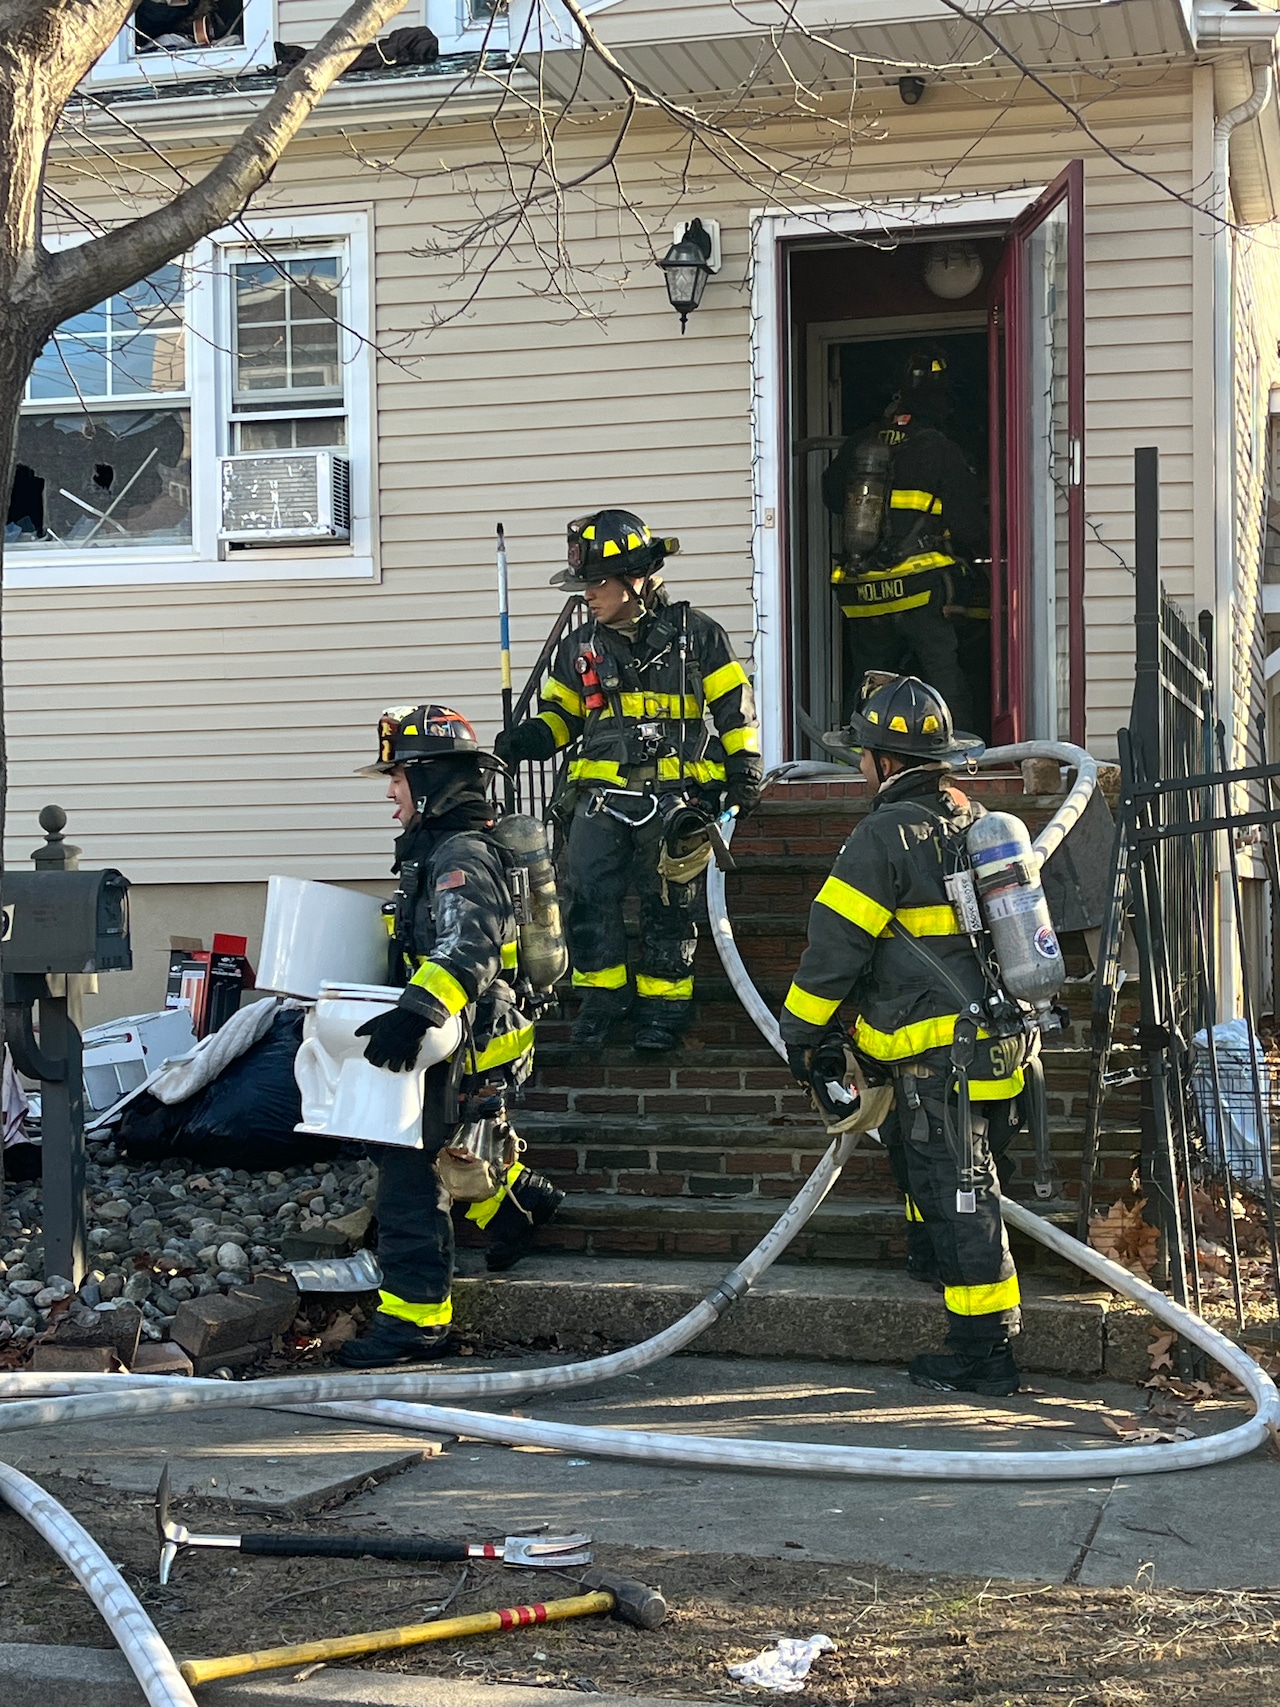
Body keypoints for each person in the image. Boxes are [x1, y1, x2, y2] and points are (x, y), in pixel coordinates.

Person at [778, 674, 1025, 1396]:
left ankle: (987, 1351)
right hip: (992, 1047)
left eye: (862, 754)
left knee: (961, 1196)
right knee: (941, 1182)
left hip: (935, 1055)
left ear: (885, 763)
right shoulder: (975, 818)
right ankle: (932, 1260)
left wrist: (801, 1033)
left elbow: (833, 949)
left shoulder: (882, 834)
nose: (858, 767)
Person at [337, 703, 563, 1369]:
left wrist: (416, 1013)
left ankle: (414, 1323)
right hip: (467, 1042)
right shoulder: (447, 847)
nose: (390, 792)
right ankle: (521, 1205)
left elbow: (472, 944)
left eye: (398, 776)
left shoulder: (461, 852)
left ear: (431, 779)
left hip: (462, 1048)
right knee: (447, 1155)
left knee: (410, 1177)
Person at [494, 510, 763, 1053]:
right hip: (600, 803)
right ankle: (601, 1004)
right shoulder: (579, 649)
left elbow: (736, 712)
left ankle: (663, 1013)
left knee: (668, 906)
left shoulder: (699, 636)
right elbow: (562, 719)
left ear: (635, 581)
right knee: (588, 900)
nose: (587, 596)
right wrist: (530, 739)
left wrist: (745, 771)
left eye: (597, 584)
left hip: (676, 798)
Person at [823, 352, 984, 728]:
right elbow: (969, 528)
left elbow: (831, 497)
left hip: (864, 591)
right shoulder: (940, 448)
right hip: (919, 588)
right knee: (943, 671)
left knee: (869, 678)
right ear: (941, 399)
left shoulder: (862, 443)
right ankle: (961, 754)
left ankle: (857, 758)